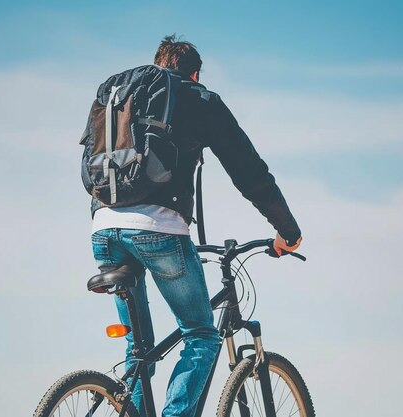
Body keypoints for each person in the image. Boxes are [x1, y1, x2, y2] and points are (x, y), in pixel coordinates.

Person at [88, 35, 302, 417]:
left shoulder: (123, 93)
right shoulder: (198, 98)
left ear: (158, 63)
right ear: (196, 73)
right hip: (159, 229)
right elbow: (249, 171)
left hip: (103, 227)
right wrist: (288, 230)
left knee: (139, 351)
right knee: (201, 336)